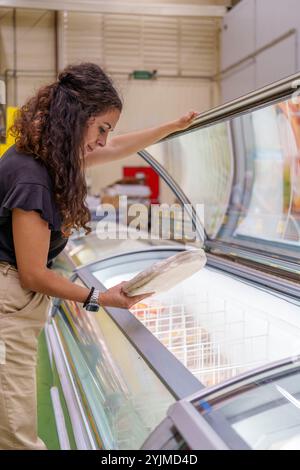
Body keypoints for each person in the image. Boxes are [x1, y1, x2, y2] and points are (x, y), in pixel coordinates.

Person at [0, 62, 197, 450]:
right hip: (8, 307)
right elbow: (34, 275)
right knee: (16, 435)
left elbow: (120, 147)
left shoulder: (49, 154)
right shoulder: (32, 176)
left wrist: (171, 127)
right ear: (75, 119)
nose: (106, 141)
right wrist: (100, 298)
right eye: (102, 128)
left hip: (14, 303)